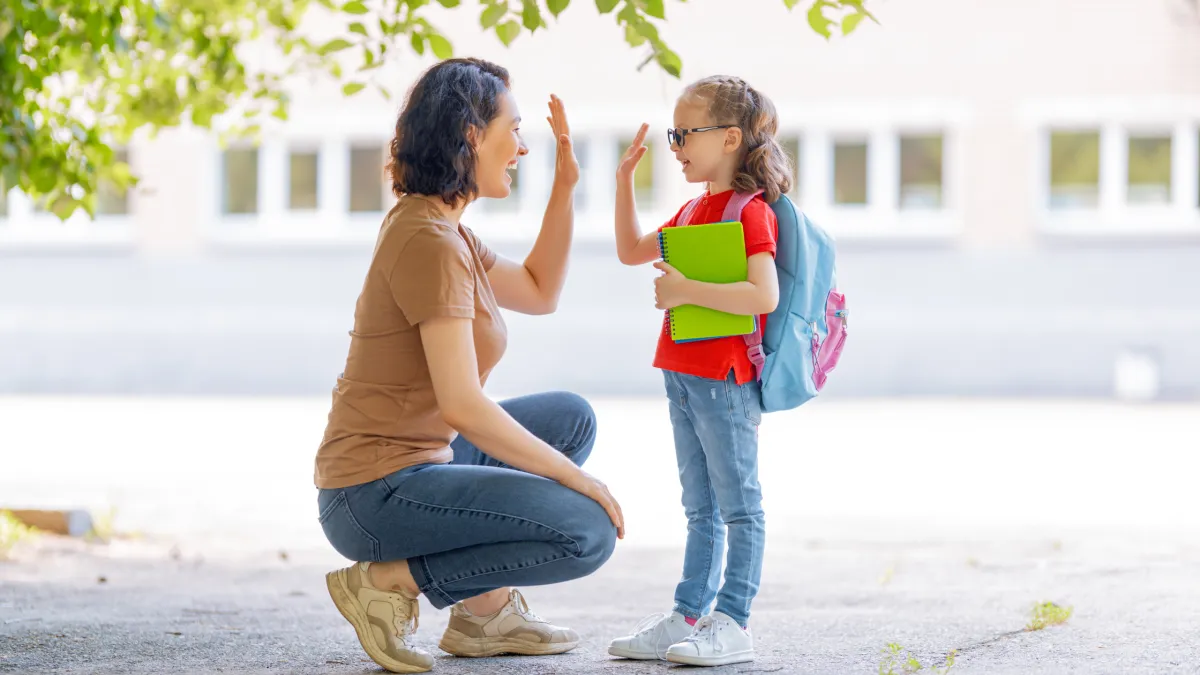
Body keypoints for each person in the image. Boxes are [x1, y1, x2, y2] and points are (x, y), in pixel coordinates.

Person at [314, 58, 624, 674]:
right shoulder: (430, 242)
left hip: (421, 464)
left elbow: (538, 290)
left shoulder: (444, 229)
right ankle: (388, 581)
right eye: (514, 129)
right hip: (372, 494)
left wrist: (565, 188)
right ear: (472, 134)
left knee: (570, 419)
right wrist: (577, 480)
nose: (523, 148)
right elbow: (462, 404)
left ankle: (485, 616)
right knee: (585, 531)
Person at [607, 75, 793, 667]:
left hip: (725, 378)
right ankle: (688, 615)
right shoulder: (691, 210)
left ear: (730, 138)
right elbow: (630, 251)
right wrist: (623, 183)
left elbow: (762, 295)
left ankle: (733, 621)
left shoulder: (749, 212)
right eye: (674, 134)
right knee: (699, 506)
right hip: (683, 372)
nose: (676, 146)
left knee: (739, 505)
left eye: (685, 134)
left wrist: (686, 289)